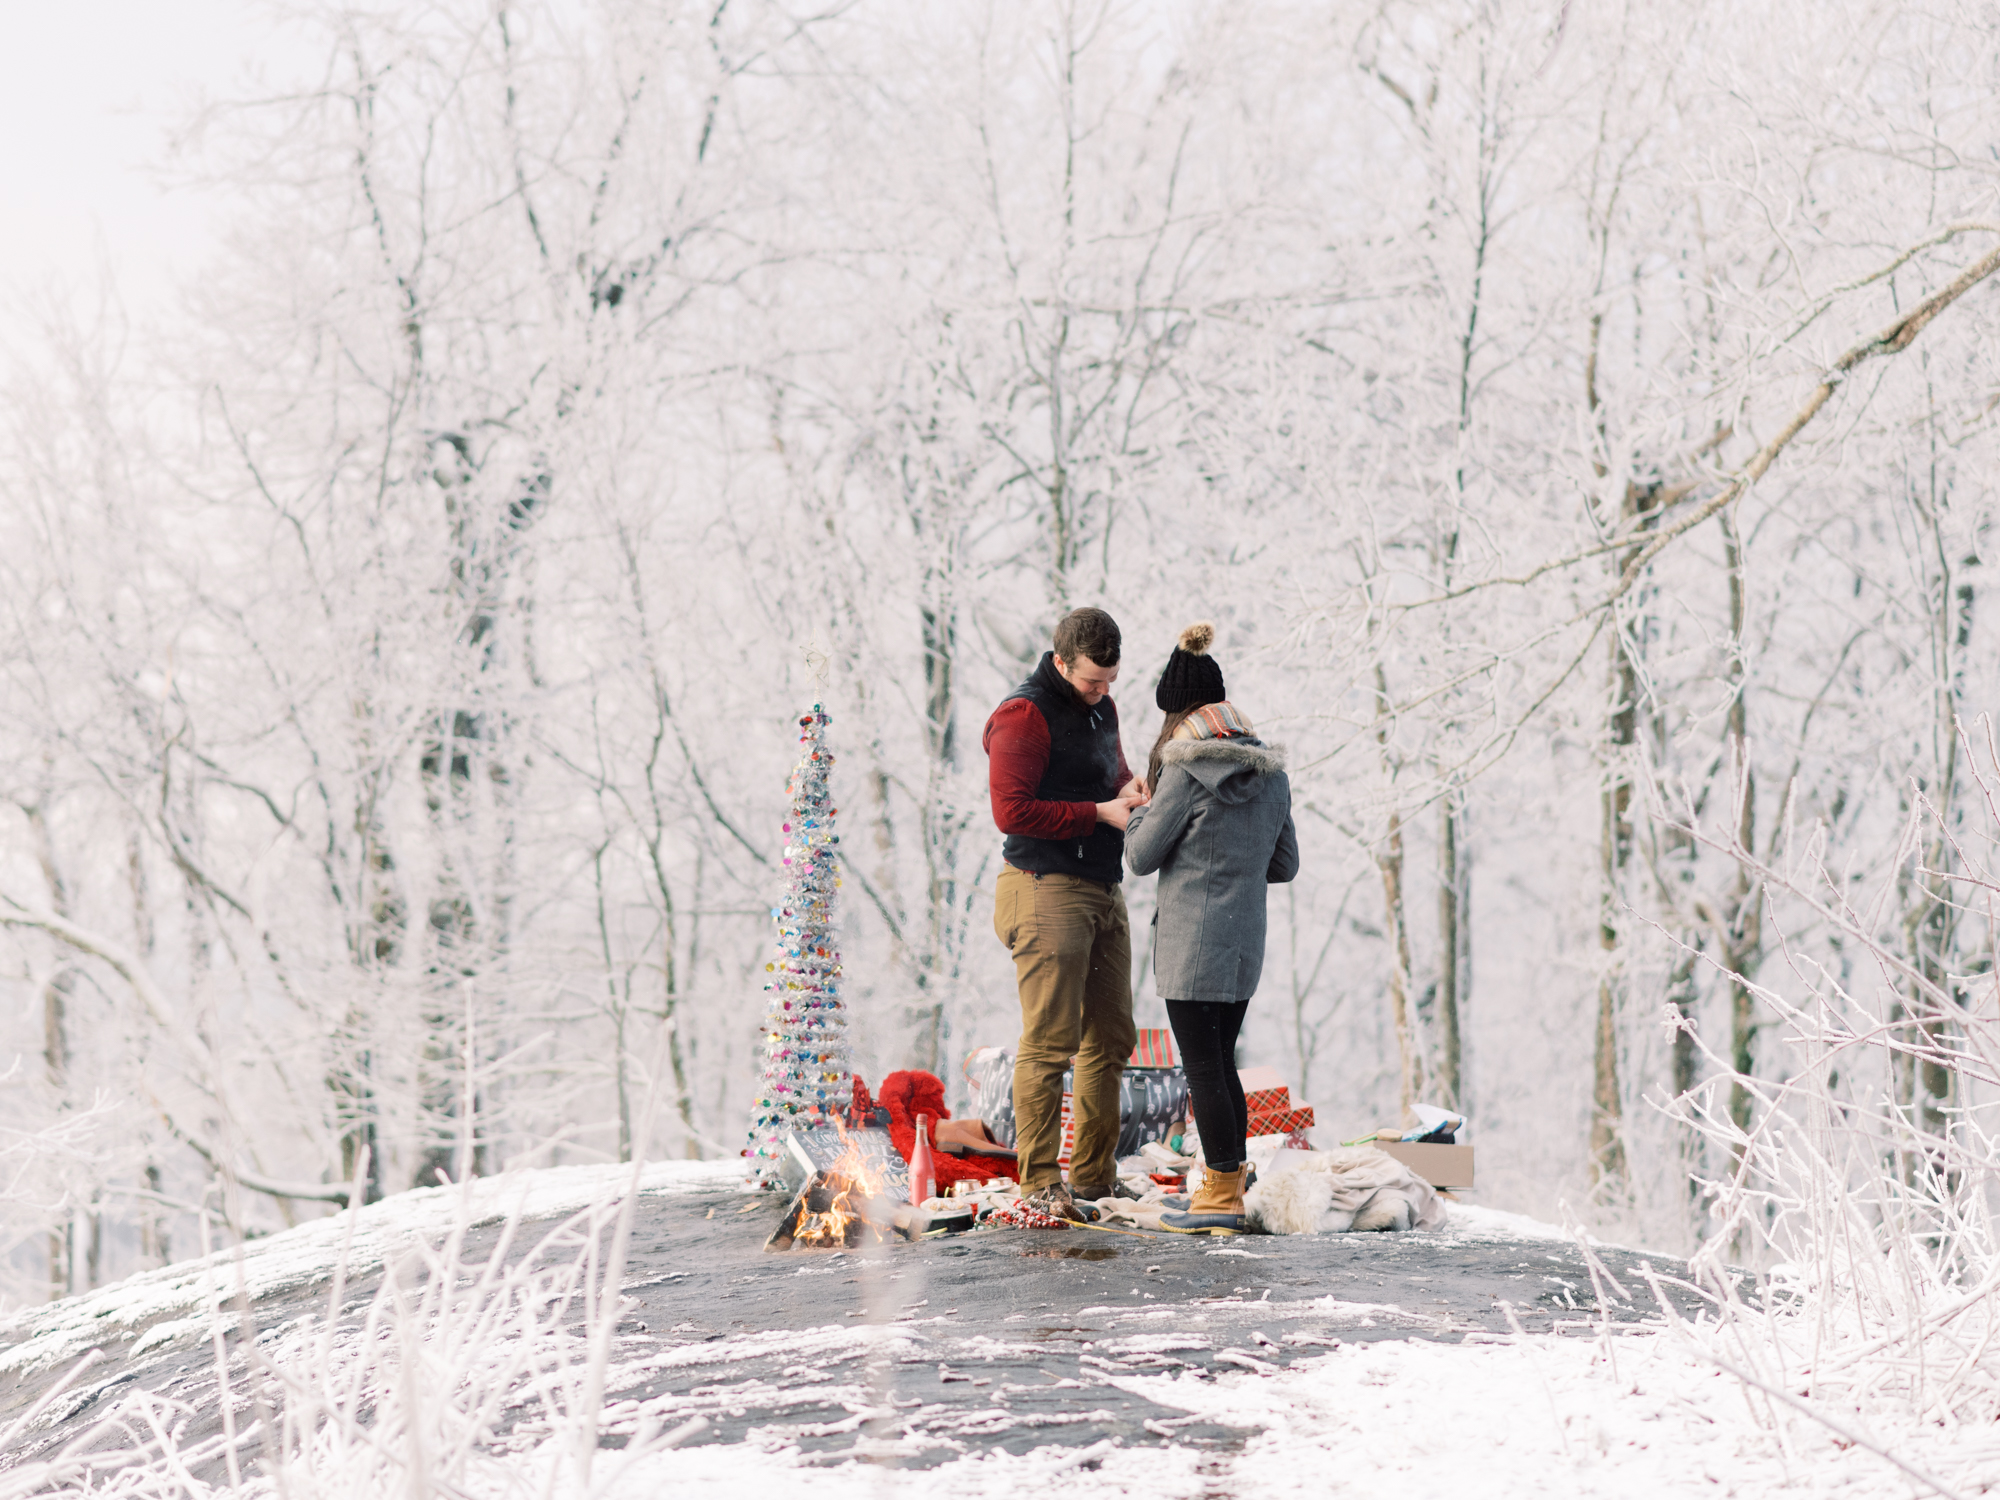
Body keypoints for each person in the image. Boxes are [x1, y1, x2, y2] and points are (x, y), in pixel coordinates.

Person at [1124, 621, 1299, 1234]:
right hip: (1243, 944)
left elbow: (1141, 857)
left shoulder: (1183, 771)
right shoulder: (1270, 774)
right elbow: (1285, 864)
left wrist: (1136, 811)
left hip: (1187, 948)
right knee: (1221, 1064)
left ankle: (1221, 1197)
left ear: (1177, 714)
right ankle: (1225, 1184)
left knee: (1205, 1069)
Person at [983, 607, 1148, 1221]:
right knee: (1050, 1043)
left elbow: (1110, 775)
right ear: (1060, 663)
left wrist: (1131, 790)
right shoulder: (1022, 716)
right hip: (1044, 886)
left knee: (1111, 1037)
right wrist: (1098, 814)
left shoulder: (1099, 706)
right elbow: (1012, 811)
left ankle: (1094, 1177)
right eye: (1091, 681)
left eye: (1110, 680)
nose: (1102, 692)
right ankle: (1040, 1183)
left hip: (1102, 887)